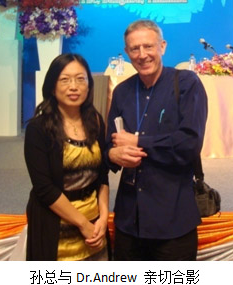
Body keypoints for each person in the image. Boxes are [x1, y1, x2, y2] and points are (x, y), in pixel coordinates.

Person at [105, 19, 208, 260]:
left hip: (172, 218)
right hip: (129, 219)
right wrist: (112, 153)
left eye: (148, 46)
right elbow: (108, 144)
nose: (142, 55)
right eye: (134, 49)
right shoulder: (122, 92)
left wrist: (138, 142)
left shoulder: (186, 84)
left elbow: (189, 144)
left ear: (162, 46)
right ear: (127, 52)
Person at [24, 53, 109, 261]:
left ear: (89, 85)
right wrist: (83, 224)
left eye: (80, 79)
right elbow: (44, 189)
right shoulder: (38, 128)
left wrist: (104, 217)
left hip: (94, 225)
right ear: (52, 87)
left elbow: (102, 176)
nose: (74, 87)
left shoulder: (95, 121)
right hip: (56, 226)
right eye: (65, 80)